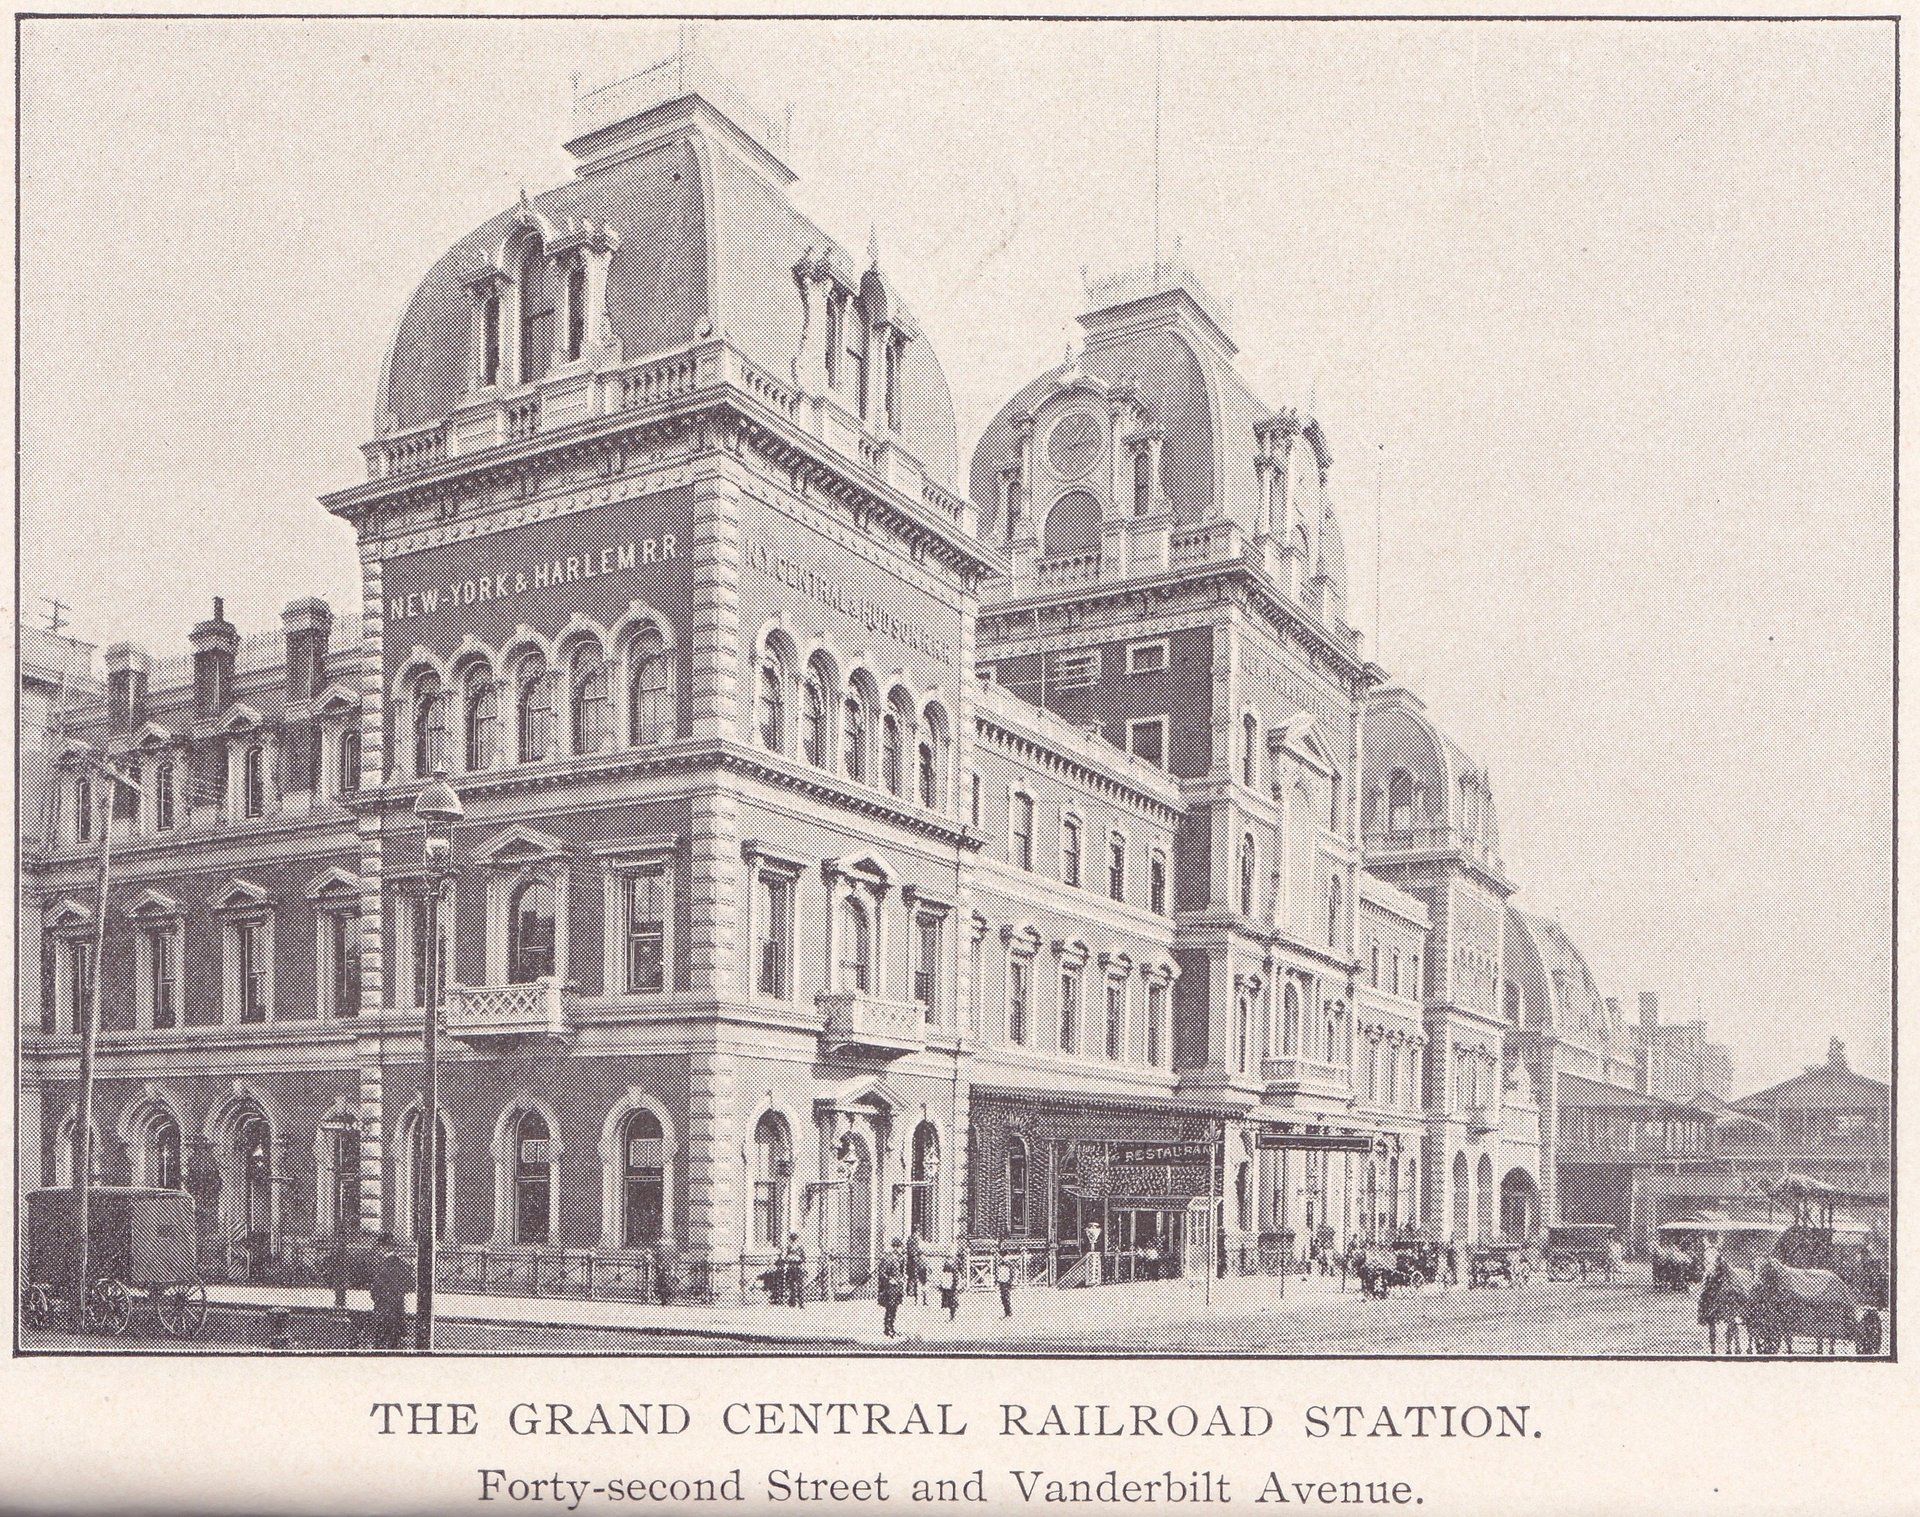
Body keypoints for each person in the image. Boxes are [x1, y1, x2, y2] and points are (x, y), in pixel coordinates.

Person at [366, 1233, 414, 1351]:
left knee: (380, 1343)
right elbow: (410, 1284)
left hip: (383, 1308)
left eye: (379, 1247)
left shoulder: (382, 1265)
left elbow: (376, 1288)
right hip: (397, 1308)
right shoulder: (403, 1264)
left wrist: (377, 1297)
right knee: (394, 1342)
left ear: (384, 1247)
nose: (378, 1250)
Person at [877, 1239, 906, 1339]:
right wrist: (890, 1280)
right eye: (899, 1247)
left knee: (894, 1308)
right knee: (890, 1308)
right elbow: (882, 1273)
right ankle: (887, 1329)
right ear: (895, 1247)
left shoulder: (900, 1258)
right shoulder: (888, 1258)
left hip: (898, 1287)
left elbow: (901, 1272)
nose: (901, 1249)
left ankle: (892, 1327)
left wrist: (902, 1278)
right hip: (890, 1288)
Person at [782, 1233, 808, 1311]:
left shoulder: (800, 1247)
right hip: (791, 1268)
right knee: (791, 1285)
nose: (794, 1240)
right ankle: (792, 1302)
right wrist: (788, 1259)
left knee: (800, 1286)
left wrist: (799, 1260)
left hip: (798, 1268)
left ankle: (801, 1302)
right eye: (792, 1239)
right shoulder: (788, 1247)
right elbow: (785, 1257)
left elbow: (804, 1258)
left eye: (795, 1239)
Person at [993, 1241, 1015, 1319]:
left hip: (1006, 1281)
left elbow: (1012, 1272)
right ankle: (1007, 1312)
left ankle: (1008, 1312)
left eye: (1003, 1256)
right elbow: (997, 1272)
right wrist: (997, 1280)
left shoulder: (1008, 1263)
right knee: (1003, 1297)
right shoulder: (999, 1263)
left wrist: (1011, 1281)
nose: (1002, 1257)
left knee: (1006, 1297)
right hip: (1002, 1281)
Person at [905, 1231, 926, 1306]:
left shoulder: (909, 1241)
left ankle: (911, 1294)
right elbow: (916, 1251)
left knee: (911, 1279)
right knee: (915, 1279)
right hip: (915, 1264)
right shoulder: (914, 1242)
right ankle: (913, 1295)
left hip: (911, 1264)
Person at [939, 1251, 961, 1321]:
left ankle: (952, 1317)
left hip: (950, 1286)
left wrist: (955, 1285)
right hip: (947, 1284)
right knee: (948, 1302)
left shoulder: (954, 1266)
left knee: (951, 1302)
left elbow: (955, 1276)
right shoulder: (947, 1264)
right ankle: (950, 1316)